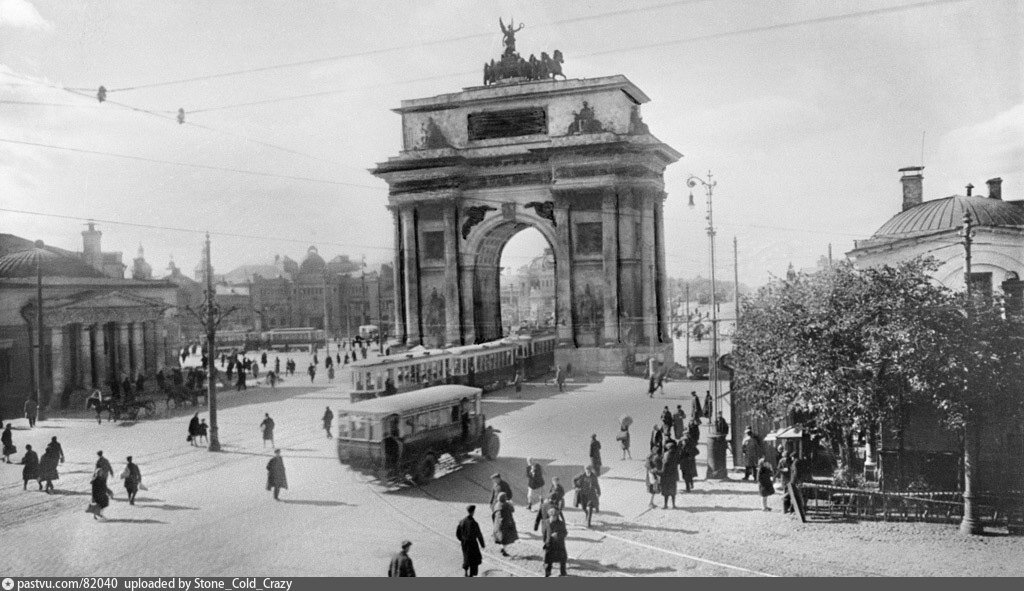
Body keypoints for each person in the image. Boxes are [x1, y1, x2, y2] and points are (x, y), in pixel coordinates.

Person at [455, 505, 485, 577]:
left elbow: (458, 533)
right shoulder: (474, 523)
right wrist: (482, 544)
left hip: (465, 543)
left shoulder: (462, 521)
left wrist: (462, 540)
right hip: (472, 543)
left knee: (466, 557)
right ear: (473, 512)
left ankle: (465, 571)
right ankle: (471, 574)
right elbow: (479, 534)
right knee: (474, 559)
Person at [542, 506, 568, 577]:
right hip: (549, 544)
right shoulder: (546, 522)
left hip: (559, 544)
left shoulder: (561, 523)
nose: (553, 517)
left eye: (555, 516)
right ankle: (547, 573)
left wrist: (558, 535)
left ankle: (563, 573)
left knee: (562, 559)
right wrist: (546, 541)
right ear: (550, 515)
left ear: (557, 516)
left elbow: (565, 533)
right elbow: (544, 533)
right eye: (552, 516)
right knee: (547, 560)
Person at [491, 492, 518, 556]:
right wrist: (511, 504)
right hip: (506, 524)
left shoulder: (497, 504)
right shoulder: (506, 505)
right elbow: (512, 510)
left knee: (501, 538)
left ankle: (502, 549)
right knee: (506, 539)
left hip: (498, 524)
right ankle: (504, 551)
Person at [660, 440, 680, 509]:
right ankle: (673, 505)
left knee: (666, 491)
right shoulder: (676, 454)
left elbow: (665, 464)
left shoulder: (666, 454)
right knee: (673, 491)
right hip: (673, 475)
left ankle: (665, 505)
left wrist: (662, 473)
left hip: (667, 475)